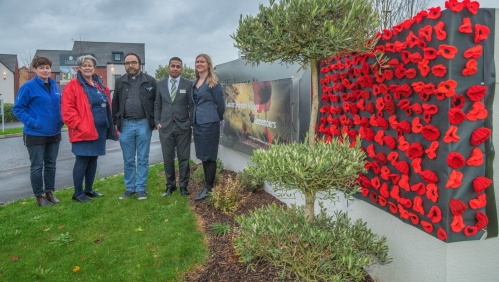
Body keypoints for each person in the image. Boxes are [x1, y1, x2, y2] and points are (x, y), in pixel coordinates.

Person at [61, 55, 117, 202]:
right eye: (84, 65)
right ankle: (78, 193)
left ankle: (89, 189)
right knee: (82, 160)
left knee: (93, 159)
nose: (87, 68)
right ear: (79, 68)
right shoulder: (72, 86)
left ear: (94, 67)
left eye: (90, 65)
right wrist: (80, 125)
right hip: (83, 130)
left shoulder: (99, 85)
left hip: (99, 130)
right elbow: (67, 111)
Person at [13, 56, 64, 206]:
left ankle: (49, 192)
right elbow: (18, 108)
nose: (45, 70)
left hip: (54, 132)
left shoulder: (55, 86)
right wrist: (33, 123)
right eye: (41, 68)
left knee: (51, 164)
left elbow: (60, 106)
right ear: (34, 69)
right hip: (35, 133)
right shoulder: (27, 87)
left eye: (47, 67)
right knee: (37, 166)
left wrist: (61, 120)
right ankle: (39, 196)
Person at [112, 53, 157, 200]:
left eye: (133, 62)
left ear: (140, 64)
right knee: (128, 159)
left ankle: (141, 188)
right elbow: (116, 103)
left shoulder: (150, 81)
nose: (130, 65)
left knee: (143, 158)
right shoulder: (120, 82)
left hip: (144, 123)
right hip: (125, 125)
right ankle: (130, 187)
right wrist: (115, 122)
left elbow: (156, 103)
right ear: (124, 65)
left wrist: (155, 121)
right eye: (127, 63)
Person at [154, 57, 193, 197]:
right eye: (173, 66)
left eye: (178, 66)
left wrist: (190, 122)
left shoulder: (188, 84)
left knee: (184, 158)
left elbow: (192, 105)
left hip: (183, 127)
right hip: (165, 127)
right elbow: (157, 105)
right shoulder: (160, 84)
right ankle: (170, 186)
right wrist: (157, 121)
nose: (175, 68)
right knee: (167, 158)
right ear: (168, 67)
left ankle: (183, 186)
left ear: (181, 69)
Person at [191, 54, 225, 201]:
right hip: (198, 123)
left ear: (208, 64)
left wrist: (217, 118)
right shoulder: (195, 82)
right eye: (197, 62)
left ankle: (209, 187)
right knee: (203, 155)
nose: (199, 64)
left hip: (210, 123)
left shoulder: (213, 83)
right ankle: (207, 184)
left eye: (202, 62)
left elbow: (221, 104)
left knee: (210, 155)